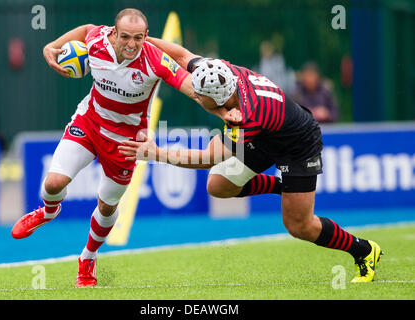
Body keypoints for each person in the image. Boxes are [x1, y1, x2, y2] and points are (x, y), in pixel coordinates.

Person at [119, 37, 383, 283]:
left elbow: (207, 158)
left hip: (298, 144)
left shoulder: (246, 119)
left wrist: (156, 154)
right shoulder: (218, 72)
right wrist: (144, 39)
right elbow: (182, 54)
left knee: (299, 226)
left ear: (219, 99)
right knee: (218, 186)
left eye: (200, 97)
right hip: (267, 135)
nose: (196, 97)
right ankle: (282, 187)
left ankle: (363, 249)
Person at [10, 9, 234, 288]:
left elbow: (191, 88)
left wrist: (223, 112)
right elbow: (85, 27)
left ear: (146, 37)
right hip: (89, 123)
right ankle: (48, 211)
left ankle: (88, 259)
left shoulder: (155, 60)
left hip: (127, 142)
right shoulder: (97, 40)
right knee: (53, 183)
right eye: (125, 36)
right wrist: (52, 46)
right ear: (113, 33)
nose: (131, 43)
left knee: (106, 206)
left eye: (138, 38)